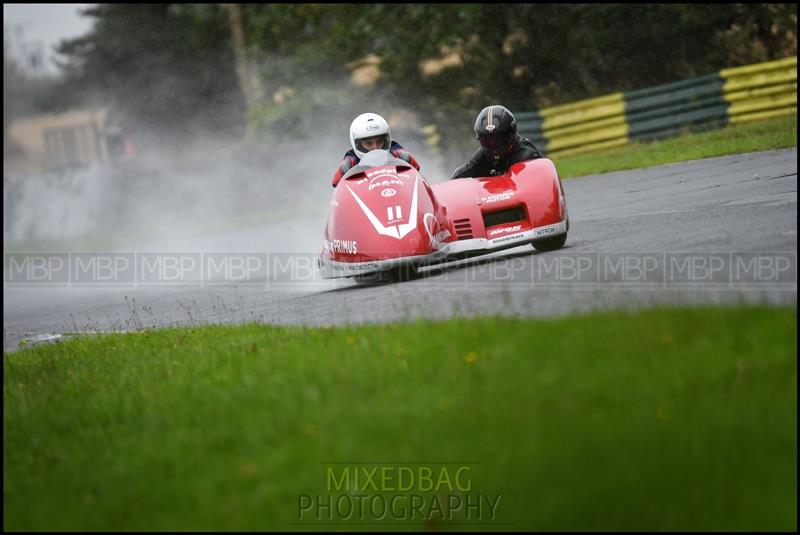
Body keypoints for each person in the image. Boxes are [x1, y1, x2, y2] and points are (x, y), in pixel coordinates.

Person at [450, 104, 543, 179]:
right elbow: (466, 171)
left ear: (509, 135)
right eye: (487, 141)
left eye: (497, 140)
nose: (493, 147)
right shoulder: (485, 152)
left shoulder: (527, 156)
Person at [332, 112, 421, 187]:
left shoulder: (401, 156)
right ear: (357, 144)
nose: (375, 147)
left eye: (379, 142)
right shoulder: (349, 164)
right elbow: (336, 184)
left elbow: (417, 174)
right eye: (368, 143)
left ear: (387, 140)